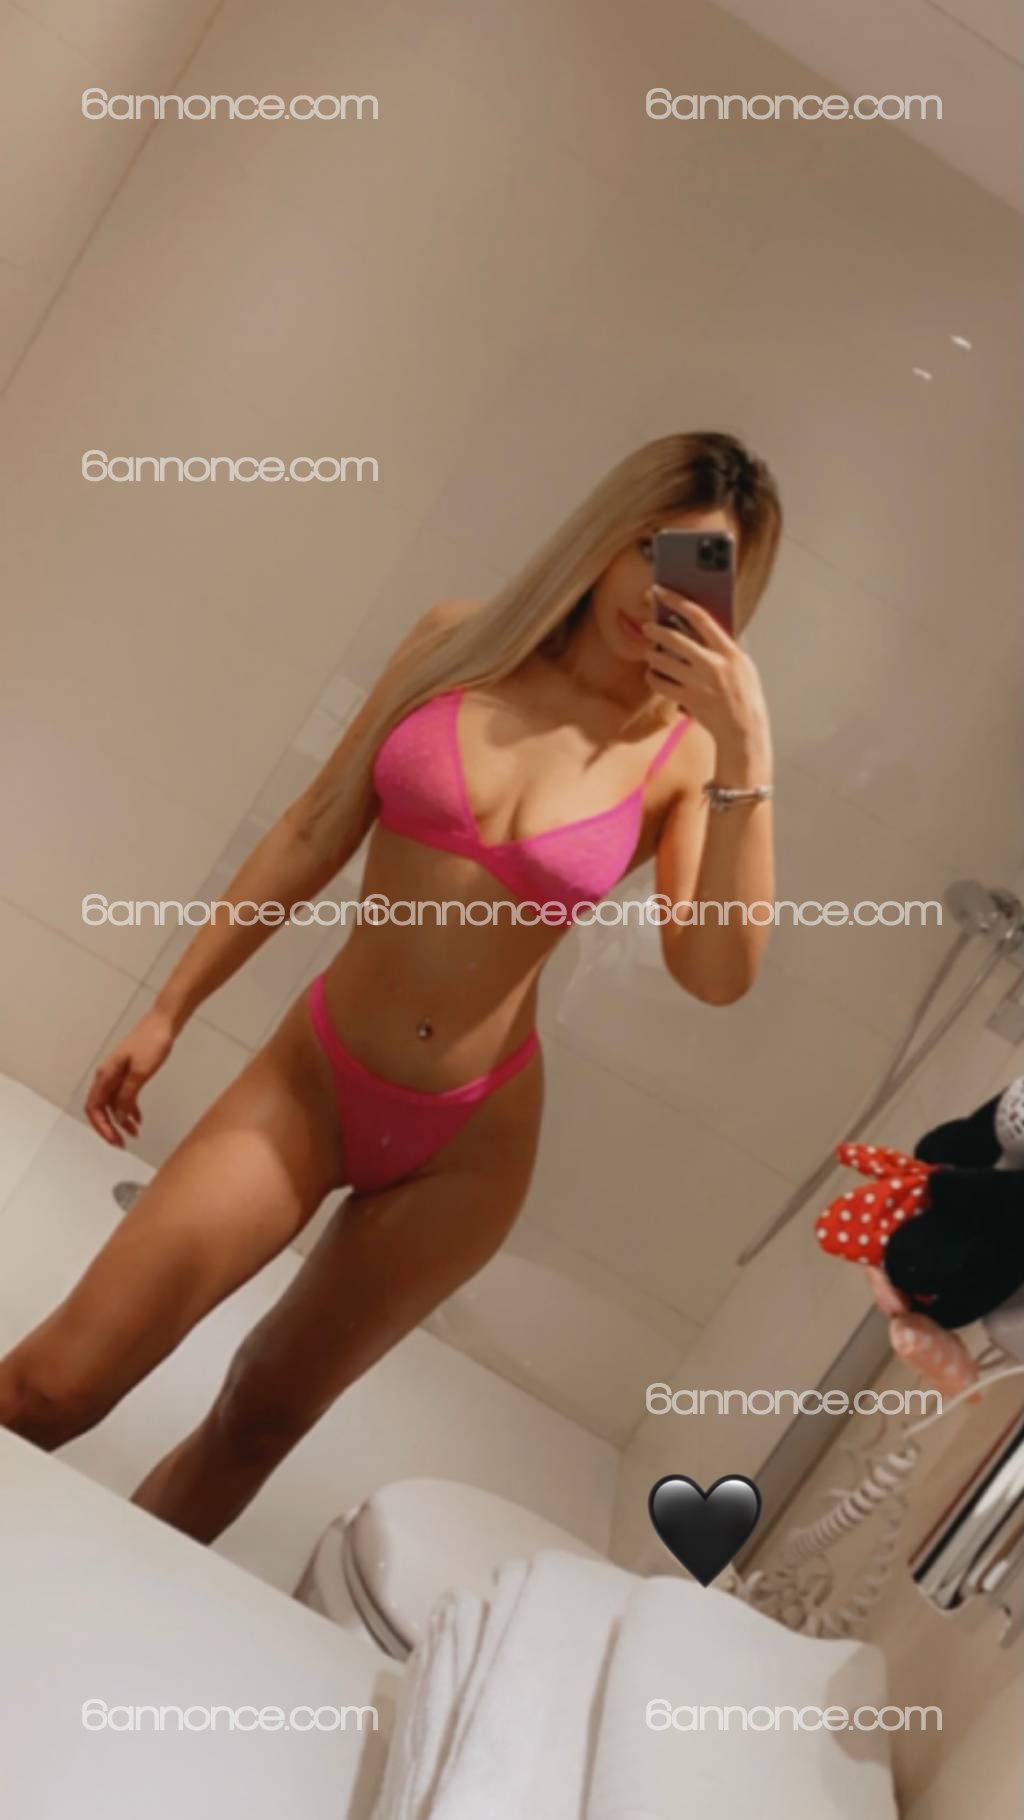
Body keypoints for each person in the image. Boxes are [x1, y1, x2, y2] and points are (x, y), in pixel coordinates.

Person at [0, 431, 781, 1541]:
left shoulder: (687, 756)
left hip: (468, 1149)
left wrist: (749, 752)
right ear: (606, 537)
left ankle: (99, 1601)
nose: (658, 591)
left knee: (258, 1418)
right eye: (649, 547)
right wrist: (172, 1006)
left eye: (698, 571)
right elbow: (313, 828)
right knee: (53, 1384)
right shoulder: (461, 641)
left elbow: (715, 973)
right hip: (311, 1081)